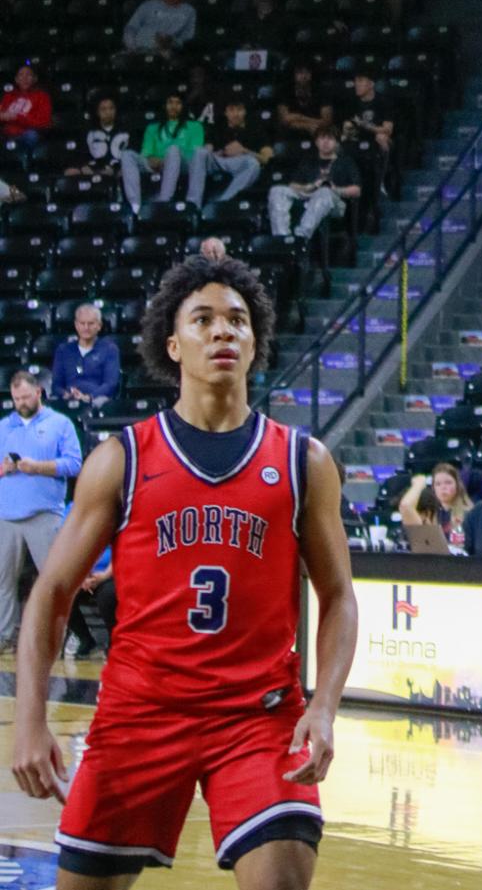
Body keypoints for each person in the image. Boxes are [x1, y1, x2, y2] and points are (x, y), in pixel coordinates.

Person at [11, 253, 358, 881]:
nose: (222, 330)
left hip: (258, 716)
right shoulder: (123, 458)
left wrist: (325, 705)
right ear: (172, 345)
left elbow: (339, 597)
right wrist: (31, 721)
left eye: (237, 320)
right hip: (140, 713)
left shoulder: (305, 461)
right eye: (203, 319)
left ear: (256, 343)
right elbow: (53, 591)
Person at [0, 370, 82, 651]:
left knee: (52, 581)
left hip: (45, 513)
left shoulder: (61, 423)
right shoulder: (3, 426)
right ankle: (4, 636)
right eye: (16, 398)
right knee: (2, 582)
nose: (20, 402)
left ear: (39, 392)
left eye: (25, 396)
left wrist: (39, 467)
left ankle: (59, 637)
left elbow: (74, 464)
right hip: (6, 515)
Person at [267, 125, 360, 245]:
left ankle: (301, 237)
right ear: (316, 142)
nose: (325, 142)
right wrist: (311, 186)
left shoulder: (345, 162)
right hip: (309, 194)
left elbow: (356, 190)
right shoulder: (308, 161)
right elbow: (293, 185)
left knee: (325, 191)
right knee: (277, 190)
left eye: (330, 138)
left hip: (335, 201)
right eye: (322, 138)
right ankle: (282, 238)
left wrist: (334, 189)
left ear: (336, 142)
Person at [121, 91, 207, 217]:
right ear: (165, 105)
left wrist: (169, 158)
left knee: (173, 150)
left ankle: (164, 200)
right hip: (157, 163)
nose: (173, 106)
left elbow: (194, 154)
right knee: (127, 155)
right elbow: (147, 152)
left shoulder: (195, 126)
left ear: (183, 106)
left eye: (178, 103)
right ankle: (135, 205)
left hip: (183, 164)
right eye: (170, 103)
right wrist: (151, 158)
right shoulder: (152, 127)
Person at [188, 95, 268, 210]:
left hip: (241, 162)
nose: (235, 114)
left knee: (253, 164)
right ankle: (193, 205)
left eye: (239, 110)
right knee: (199, 152)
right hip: (219, 160)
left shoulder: (255, 129)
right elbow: (207, 151)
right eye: (231, 110)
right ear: (226, 113)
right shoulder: (217, 128)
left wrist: (244, 150)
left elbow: (266, 159)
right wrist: (222, 152)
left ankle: (222, 202)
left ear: (245, 112)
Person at [50, 304, 120, 411]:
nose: (86, 328)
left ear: (99, 326)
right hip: (68, 398)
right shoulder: (63, 350)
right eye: (82, 323)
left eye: (91, 323)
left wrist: (89, 397)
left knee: (103, 403)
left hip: (97, 399)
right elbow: (56, 384)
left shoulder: (109, 349)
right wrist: (66, 394)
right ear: (76, 325)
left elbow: (110, 384)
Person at [121, 0, 196, 61]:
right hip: (138, 50)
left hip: (166, 52)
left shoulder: (189, 10)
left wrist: (171, 41)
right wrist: (132, 47)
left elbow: (187, 37)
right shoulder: (148, 5)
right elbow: (131, 28)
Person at [398, 461, 471, 552]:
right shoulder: (429, 513)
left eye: (448, 483)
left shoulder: (469, 513)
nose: (443, 487)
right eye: (438, 484)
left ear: (457, 485)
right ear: (433, 488)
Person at [64, 95, 131, 188]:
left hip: (118, 171)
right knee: (70, 172)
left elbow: (132, 157)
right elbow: (80, 155)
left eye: (111, 108)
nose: (108, 112)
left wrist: (117, 170)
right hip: (93, 170)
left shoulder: (126, 131)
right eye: (103, 109)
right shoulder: (88, 132)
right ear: (97, 112)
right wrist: (84, 167)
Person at [0, 63, 52, 148]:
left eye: (28, 75)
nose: (24, 78)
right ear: (16, 79)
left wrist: (17, 117)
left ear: (35, 79)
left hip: (27, 133)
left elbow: (44, 122)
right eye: (21, 75)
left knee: (32, 135)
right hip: (7, 133)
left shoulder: (42, 96)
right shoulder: (8, 96)